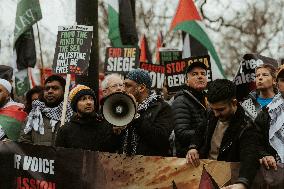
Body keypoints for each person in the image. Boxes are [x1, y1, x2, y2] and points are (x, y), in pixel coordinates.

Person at [187, 79, 260, 189]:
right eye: (213, 109)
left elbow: (249, 157)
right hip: (205, 175)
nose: (216, 114)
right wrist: (193, 147)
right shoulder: (211, 114)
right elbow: (200, 130)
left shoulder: (246, 126)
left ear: (234, 103)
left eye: (221, 110)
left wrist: (242, 183)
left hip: (229, 181)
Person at [121, 68, 174, 156]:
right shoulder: (124, 107)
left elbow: (160, 139)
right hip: (124, 164)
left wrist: (135, 116)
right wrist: (116, 133)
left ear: (141, 88)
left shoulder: (162, 107)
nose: (123, 89)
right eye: (123, 85)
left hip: (150, 165)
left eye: (128, 85)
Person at [55, 85, 115, 152]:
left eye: (91, 98)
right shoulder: (65, 130)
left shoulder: (105, 125)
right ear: (75, 104)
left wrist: (118, 134)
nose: (89, 102)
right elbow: (60, 157)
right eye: (83, 99)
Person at [19, 75, 73, 146]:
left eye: (55, 88)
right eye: (47, 89)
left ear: (64, 91)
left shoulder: (73, 116)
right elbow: (24, 143)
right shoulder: (33, 116)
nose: (50, 91)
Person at [171, 61, 208, 157]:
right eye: (194, 74)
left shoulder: (209, 99)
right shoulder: (181, 101)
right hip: (188, 158)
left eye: (203, 74)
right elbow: (181, 133)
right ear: (187, 81)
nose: (200, 76)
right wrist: (210, 132)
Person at [255, 64, 284, 171]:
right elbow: (255, 140)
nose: (260, 78)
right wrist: (264, 155)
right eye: (257, 76)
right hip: (275, 170)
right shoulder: (265, 112)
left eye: (264, 75)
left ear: (273, 81)